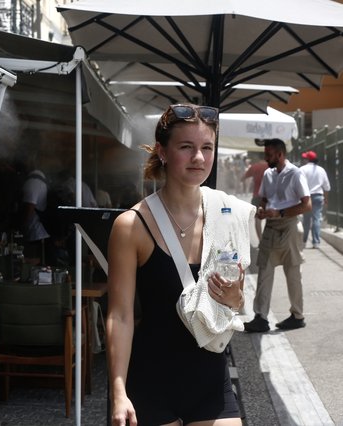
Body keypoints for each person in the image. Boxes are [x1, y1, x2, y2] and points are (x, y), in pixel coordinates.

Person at [107, 104, 247, 426]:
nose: (199, 158)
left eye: (207, 148)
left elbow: (236, 302)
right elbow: (120, 314)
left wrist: (234, 298)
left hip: (211, 380)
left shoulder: (225, 214)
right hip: (150, 383)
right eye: (187, 147)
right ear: (163, 152)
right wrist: (117, 390)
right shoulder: (131, 225)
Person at [244, 139, 311, 333]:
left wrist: (280, 213)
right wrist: (262, 210)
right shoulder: (268, 173)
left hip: (289, 225)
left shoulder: (296, 173)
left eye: (269, 154)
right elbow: (265, 198)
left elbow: (307, 205)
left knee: (293, 273)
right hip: (271, 226)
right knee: (264, 270)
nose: (266, 158)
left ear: (280, 154)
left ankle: (297, 315)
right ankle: (260, 317)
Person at [300, 150, 331, 249]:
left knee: (306, 220)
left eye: (305, 158)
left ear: (308, 159)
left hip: (306, 197)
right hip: (318, 196)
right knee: (317, 219)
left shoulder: (302, 169)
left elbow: (298, 185)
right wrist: (326, 199)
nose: (303, 159)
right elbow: (326, 187)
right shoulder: (321, 170)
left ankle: (304, 240)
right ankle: (316, 242)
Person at [241, 154, 269, 240]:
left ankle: (260, 240)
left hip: (257, 196)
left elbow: (243, 178)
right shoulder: (270, 166)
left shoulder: (254, 166)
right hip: (269, 196)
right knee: (270, 219)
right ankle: (267, 240)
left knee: (258, 219)